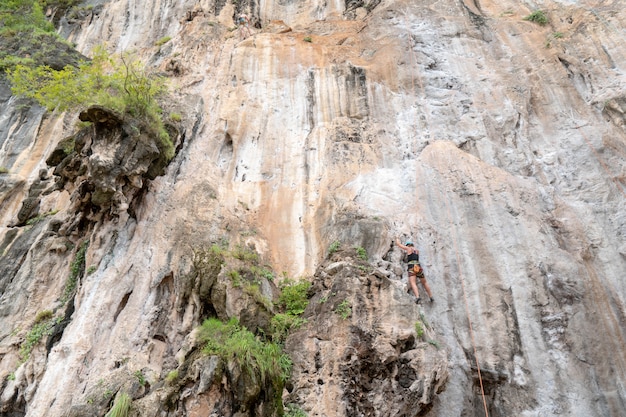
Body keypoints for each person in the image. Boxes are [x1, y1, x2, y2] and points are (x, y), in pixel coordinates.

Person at [396, 238, 434, 304]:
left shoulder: (408, 249)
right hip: (418, 267)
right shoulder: (417, 250)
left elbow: (399, 245)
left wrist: (397, 238)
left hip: (412, 267)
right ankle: (431, 296)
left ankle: (417, 297)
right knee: (424, 282)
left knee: (413, 282)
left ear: (408, 245)